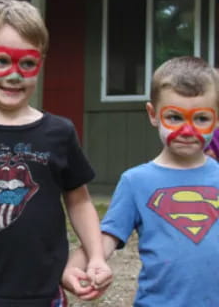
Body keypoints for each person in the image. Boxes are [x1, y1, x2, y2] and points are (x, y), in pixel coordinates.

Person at [0, 0, 111, 307]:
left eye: (27, 62)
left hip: (44, 293)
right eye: (0, 61)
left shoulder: (59, 132)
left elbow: (79, 201)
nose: (15, 74)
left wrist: (95, 256)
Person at [62, 56, 219, 306]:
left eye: (201, 119)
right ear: (153, 114)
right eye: (175, 118)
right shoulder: (136, 181)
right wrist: (80, 265)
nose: (187, 131)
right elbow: (107, 237)